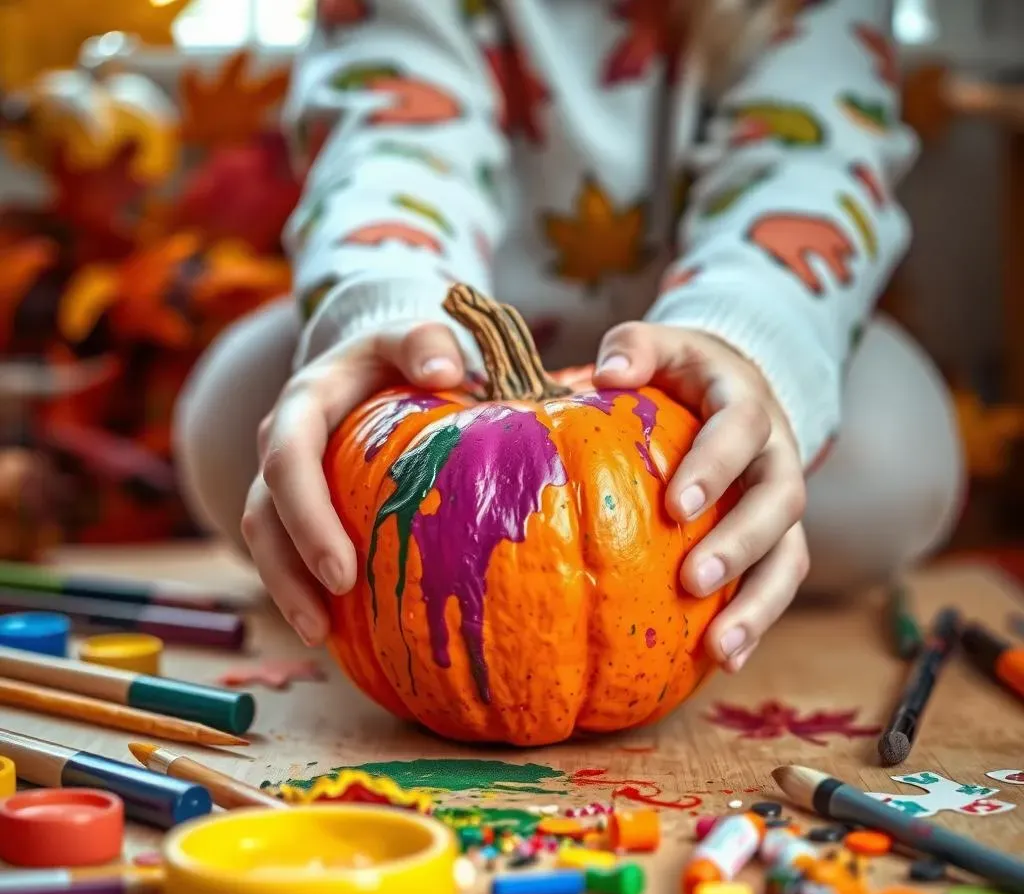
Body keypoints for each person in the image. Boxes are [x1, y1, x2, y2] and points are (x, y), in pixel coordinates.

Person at [174, 0, 963, 674]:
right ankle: (588, 566)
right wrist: (388, 322)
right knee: (229, 421)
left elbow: (806, 165)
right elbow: (390, 142)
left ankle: (650, 563)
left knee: (900, 457)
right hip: (452, 365)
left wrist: (748, 346)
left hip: (687, 365)